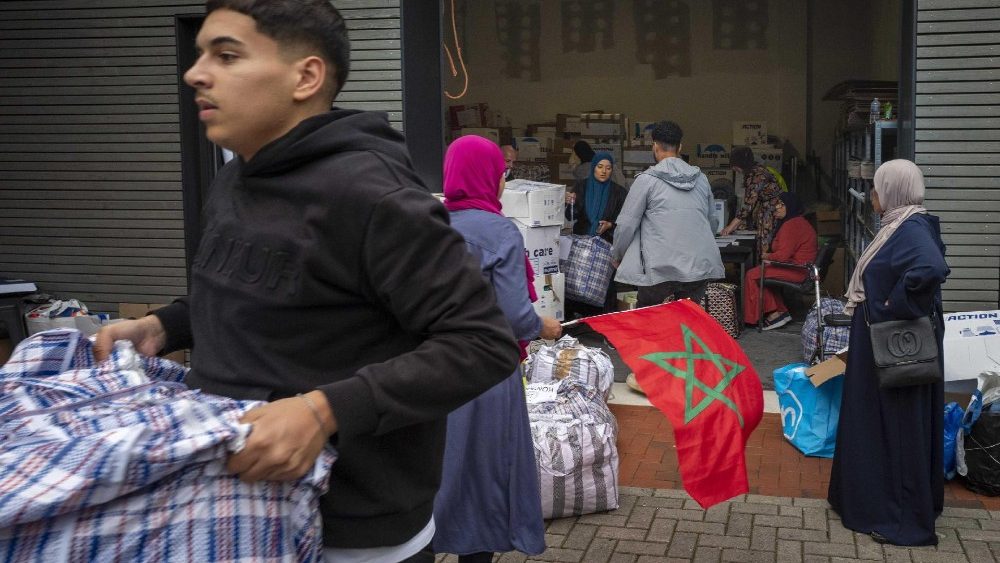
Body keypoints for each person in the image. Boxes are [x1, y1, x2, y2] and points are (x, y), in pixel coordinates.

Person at [93, 2, 520, 561]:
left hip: (350, 529)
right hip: (228, 504)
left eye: (226, 55)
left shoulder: (375, 196)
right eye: (200, 54)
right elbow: (261, 290)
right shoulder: (233, 180)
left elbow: (483, 343)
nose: (195, 72)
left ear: (306, 76)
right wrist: (161, 326)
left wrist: (324, 411)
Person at [433, 135, 559, 563]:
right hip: (486, 374)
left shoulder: (427, 223)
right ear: (489, 177)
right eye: (501, 173)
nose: (504, 180)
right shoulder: (499, 230)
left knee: (440, 467)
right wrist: (542, 326)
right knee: (485, 473)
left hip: (428, 370)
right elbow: (513, 314)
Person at [828, 159, 949, 546]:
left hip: (894, 344)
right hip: (887, 342)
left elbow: (930, 268)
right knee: (887, 422)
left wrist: (890, 305)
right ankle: (885, 503)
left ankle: (901, 521)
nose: (873, 196)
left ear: (893, 191)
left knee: (893, 425)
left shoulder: (910, 228)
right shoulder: (902, 224)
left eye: (877, 188)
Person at [612, 120, 724, 307]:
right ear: (680, 146)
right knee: (688, 320)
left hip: (659, 268)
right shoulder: (702, 179)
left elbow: (626, 225)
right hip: (697, 266)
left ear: (654, 146)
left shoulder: (646, 180)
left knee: (650, 318)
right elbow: (712, 222)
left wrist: (617, 255)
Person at [564, 151, 628, 317]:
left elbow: (624, 223)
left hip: (605, 247)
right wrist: (569, 203)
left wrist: (610, 225)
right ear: (593, 168)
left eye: (608, 168)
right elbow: (571, 216)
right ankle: (573, 324)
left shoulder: (619, 193)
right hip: (581, 247)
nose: (604, 171)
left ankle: (602, 326)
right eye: (600, 167)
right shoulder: (582, 187)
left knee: (604, 287)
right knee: (574, 282)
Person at [742, 192, 817, 329]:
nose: (777, 207)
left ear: (790, 206)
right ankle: (779, 312)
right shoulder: (796, 222)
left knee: (752, 275)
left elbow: (782, 256)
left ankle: (772, 314)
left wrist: (767, 257)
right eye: (777, 204)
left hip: (796, 270)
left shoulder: (793, 225)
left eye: (781, 204)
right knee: (760, 274)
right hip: (799, 268)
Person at [720, 146, 784, 256]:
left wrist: (730, 227)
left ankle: (765, 271)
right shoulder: (758, 171)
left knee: (766, 250)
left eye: (735, 166)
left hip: (771, 214)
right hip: (769, 212)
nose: (734, 170)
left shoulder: (757, 176)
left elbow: (748, 205)